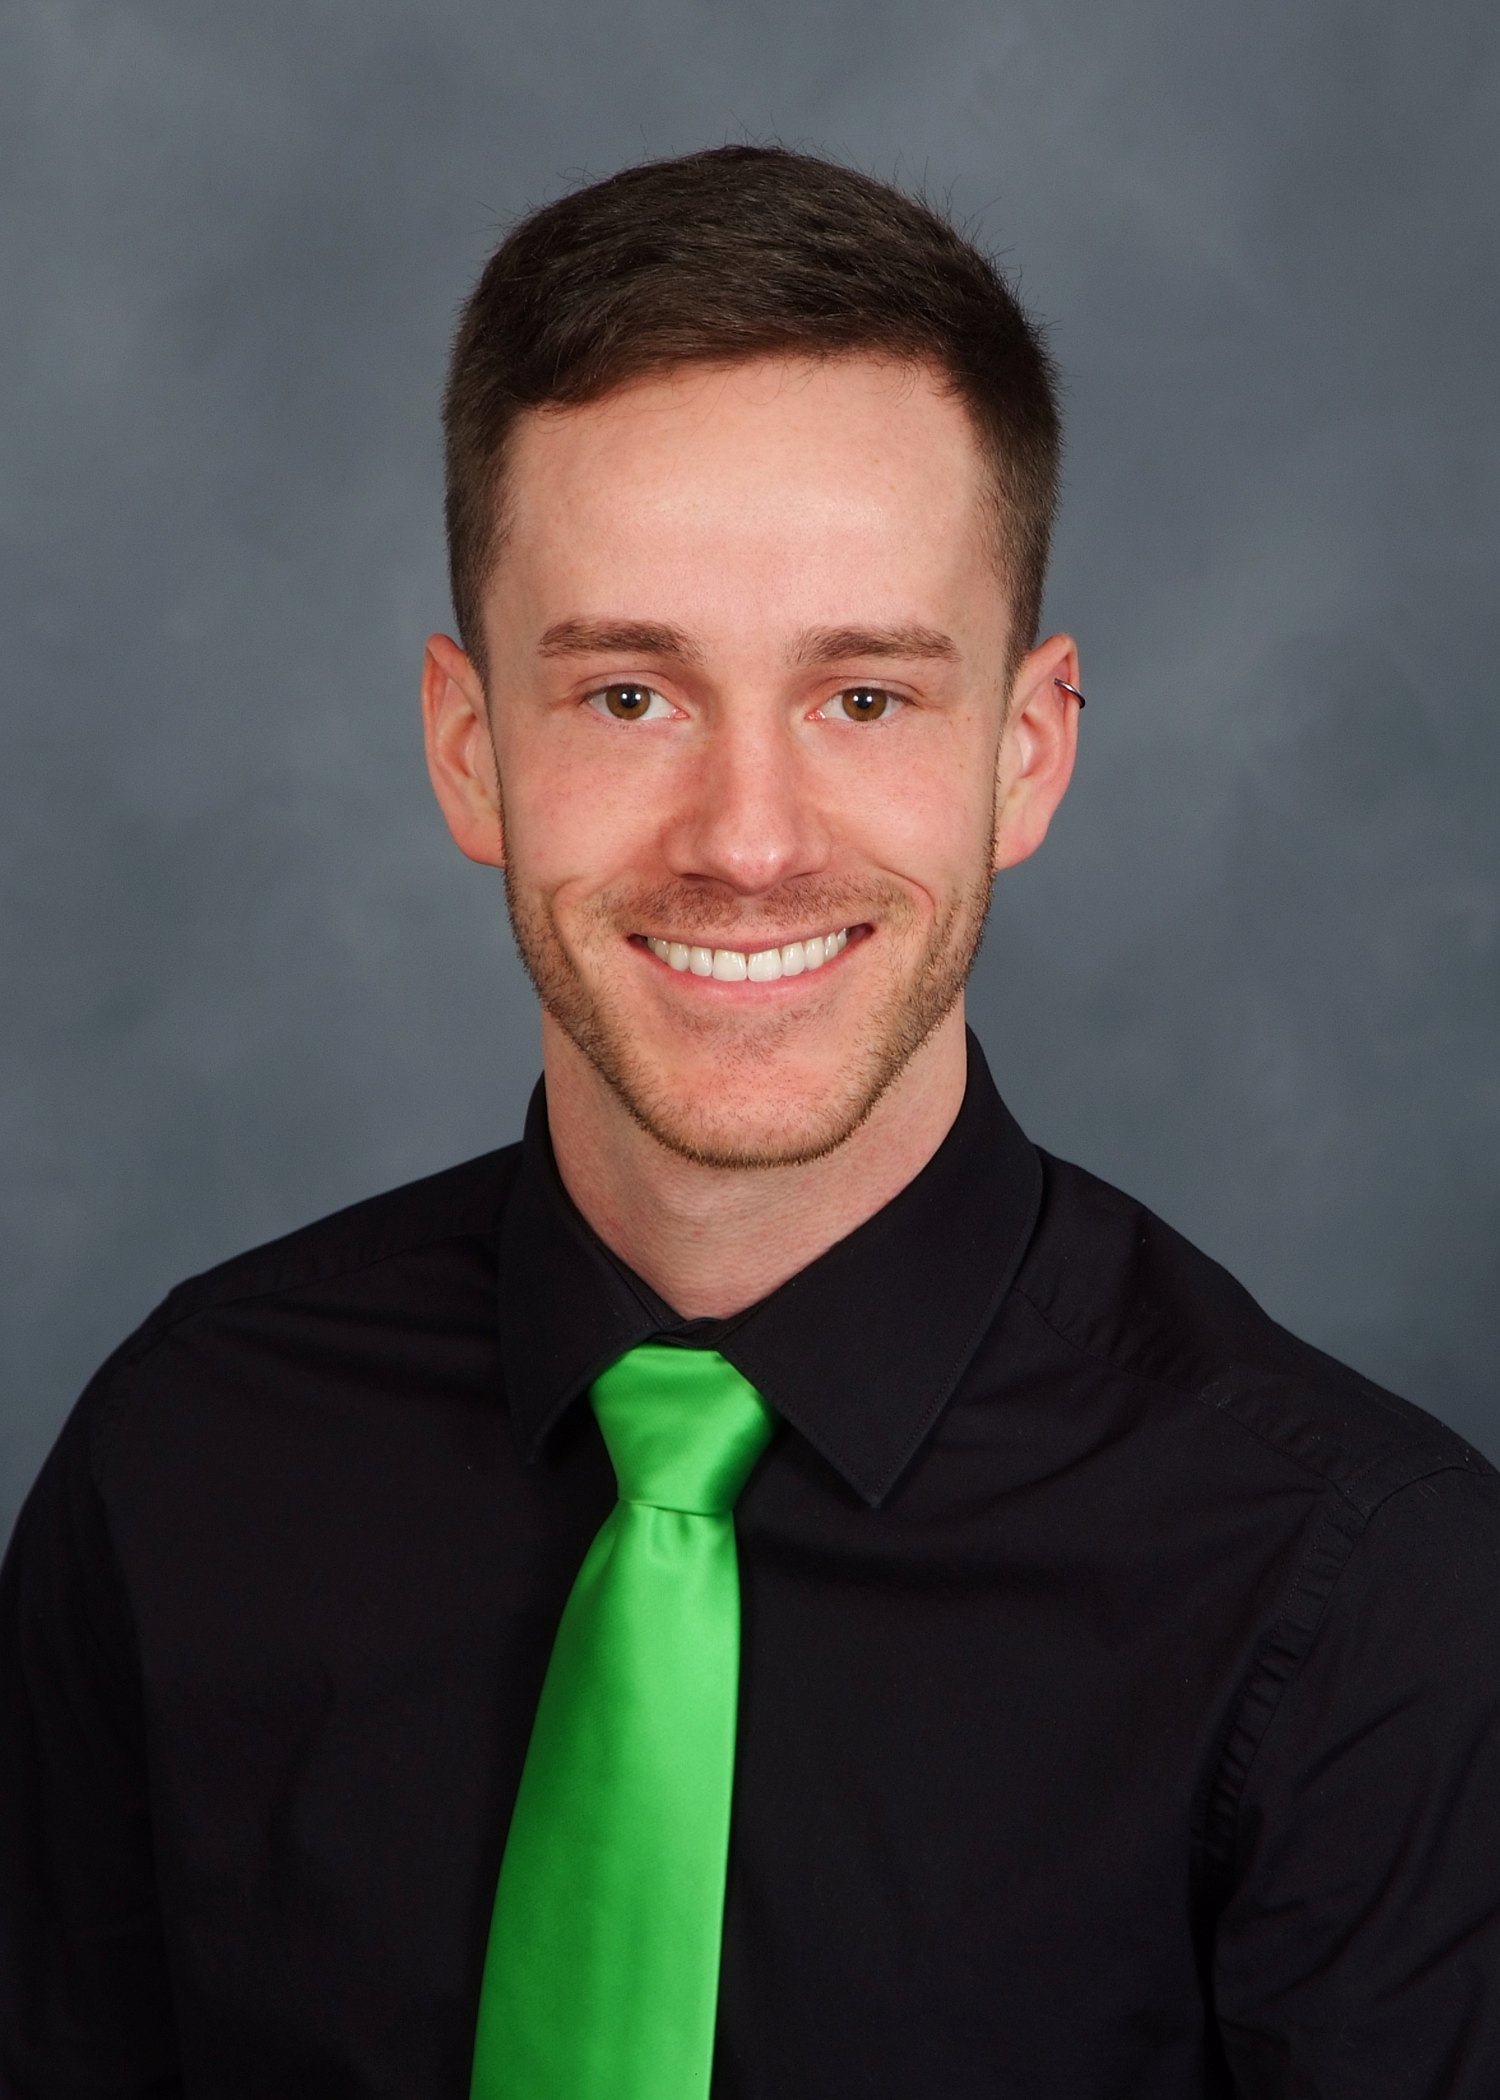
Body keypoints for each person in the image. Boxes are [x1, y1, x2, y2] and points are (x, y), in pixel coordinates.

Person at [2, 143, 1498, 2100]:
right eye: (631, 697)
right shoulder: (180, 1463)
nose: (750, 841)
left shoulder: (1375, 1608)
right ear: (471, 750)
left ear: (1025, 756)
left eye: (864, 698)